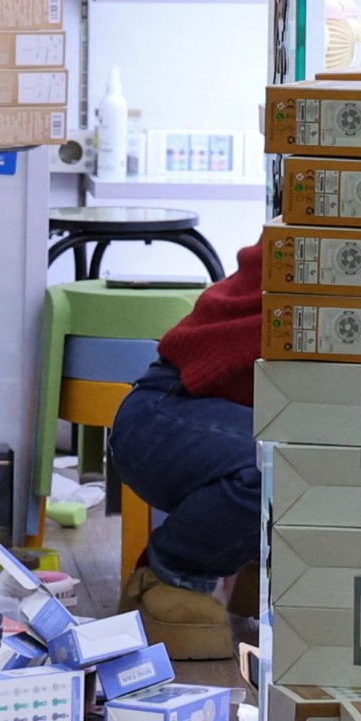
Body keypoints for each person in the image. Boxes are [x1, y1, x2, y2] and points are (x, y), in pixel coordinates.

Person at [108, 247, 263, 661]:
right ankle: (172, 571)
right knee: (277, 465)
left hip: (199, 413)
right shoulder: (318, 248)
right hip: (162, 411)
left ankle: (250, 566)